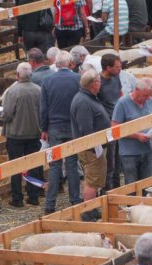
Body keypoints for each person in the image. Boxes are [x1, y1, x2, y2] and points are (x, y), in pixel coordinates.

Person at [39, 51, 82, 214]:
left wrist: (43, 128)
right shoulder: (77, 79)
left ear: (56, 64)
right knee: (72, 164)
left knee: (55, 165)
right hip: (72, 126)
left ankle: (50, 204)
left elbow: (43, 108)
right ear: (70, 63)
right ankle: (75, 200)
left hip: (54, 127)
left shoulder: (47, 81)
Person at [1, 62, 43, 208]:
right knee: (34, 165)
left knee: (16, 166)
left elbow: (6, 114)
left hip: (16, 135)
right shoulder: (38, 90)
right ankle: (33, 196)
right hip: (34, 133)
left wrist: (1, 114)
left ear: (17, 75)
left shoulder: (12, 91)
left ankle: (17, 198)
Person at [70, 70, 109, 220]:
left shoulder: (88, 97)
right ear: (93, 84)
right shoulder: (83, 102)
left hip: (94, 147)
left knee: (94, 178)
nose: (101, 84)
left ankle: (92, 208)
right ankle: (87, 211)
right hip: (91, 148)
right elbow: (86, 128)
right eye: (99, 82)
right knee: (92, 180)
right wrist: (94, 148)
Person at [111, 79, 152, 184]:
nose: (147, 99)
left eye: (149, 96)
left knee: (148, 185)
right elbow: (115, 127)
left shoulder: (149, 101)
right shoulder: (122, 103)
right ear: (136, 89)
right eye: (145, 95)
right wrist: (137, 136)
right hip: (130, 153)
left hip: (148, 151)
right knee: (132, 186)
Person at [99, 54, 123, 191]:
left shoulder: (116, 78)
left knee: (118, 155)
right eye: (117, 67)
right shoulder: (98, 82)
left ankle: (116, 184)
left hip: (118, 121)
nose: (120, 69)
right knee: (109, 158)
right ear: (108, 68)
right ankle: (106, 188)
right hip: (107, 124)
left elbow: (120, 94)